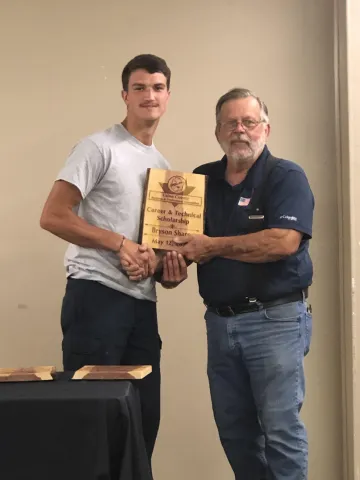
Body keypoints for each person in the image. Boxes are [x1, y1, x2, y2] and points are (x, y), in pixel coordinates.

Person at [40, 53, 187, 467]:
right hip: (96, 299)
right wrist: (119, 244)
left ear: (168, 96)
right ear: (125, 94)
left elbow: (154, 257)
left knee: (143, 423)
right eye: (139, 87)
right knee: (94, 425)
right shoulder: (97, 147)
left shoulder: (164, 170)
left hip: (141, 307)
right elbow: (52, 215)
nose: (149, 95)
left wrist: (163, 269)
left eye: (157, 87)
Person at [175, 88, 314, 480]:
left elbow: (283, 242)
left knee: (281, 431)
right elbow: (185, 250)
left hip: (276, 321)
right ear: (217, 131)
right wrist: (168, 266)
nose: (240, 130)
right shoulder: (199, 181)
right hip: (219, 324)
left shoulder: (286, 176)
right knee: (236, 433)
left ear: (265, 129)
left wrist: (213, 246)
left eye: (248, 122)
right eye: (230, 123)